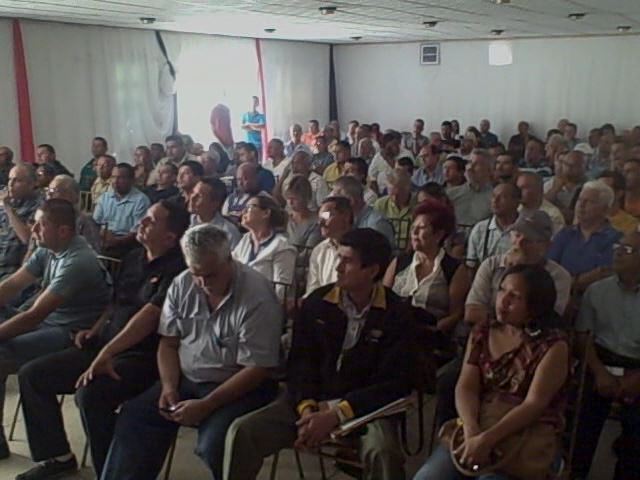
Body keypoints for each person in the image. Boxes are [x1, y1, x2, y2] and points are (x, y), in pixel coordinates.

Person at [14, 201, 189, 479]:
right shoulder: (133, 257)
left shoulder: (178, 269)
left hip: (142, 355)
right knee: (33, 375)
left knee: (92, 394)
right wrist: (95, 331)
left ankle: (110, 471)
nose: (142, 223)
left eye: (151, 220)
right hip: (104, 343)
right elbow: (114, 304)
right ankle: (58, 456)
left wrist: (107, 351)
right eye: (144, 217)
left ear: (170, 237)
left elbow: (149, 318)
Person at [225, 228, 413, 480]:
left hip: (365, 410)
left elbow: (394, 384)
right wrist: (308, 409)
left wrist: (337, 413)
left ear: (372, 270)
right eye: (338, 258)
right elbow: (300, 364)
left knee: (383, 451)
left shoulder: (396, 313)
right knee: (242, 431)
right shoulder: (317, 303)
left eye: (347, 261)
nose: (338, 267)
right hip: (311, 402)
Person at [99, 224, 281, 480]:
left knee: (216, 445)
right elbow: (168, 343)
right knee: (136, 417)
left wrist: (208, 404)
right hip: (186, 378)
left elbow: (258, 369)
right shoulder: (183, 284)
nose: (204, 283)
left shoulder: (257, 296)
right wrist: (169, 387)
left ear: (229, 259)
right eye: (197, 274)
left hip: (238, 385)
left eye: (212, 275)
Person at [414, 265, 569, 480]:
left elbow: (534, 405)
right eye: (502, 290)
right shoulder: (483, 331)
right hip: (480, 420)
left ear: (535, 305)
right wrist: (471, 430)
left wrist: (486, 440)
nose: (503, 301)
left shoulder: (552, 346)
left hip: (523, 433)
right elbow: (466, 386)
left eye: (514, 296)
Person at [0, 199, 112, 458]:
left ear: (63, 231)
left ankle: (57, 456)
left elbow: (34, 315)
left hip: (71, 334)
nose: (34, 229)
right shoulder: (48, 249)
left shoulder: (78, 261)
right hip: (46, 322)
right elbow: (12, 285)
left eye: (41, 224)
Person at [572, 231, 640, 480]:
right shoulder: (597, 290)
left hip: (636, 369)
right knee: (581, 426)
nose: (618, 252)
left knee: (635, 438)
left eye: (628, 250)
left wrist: (635, 380)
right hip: (598, 363)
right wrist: (600, 373)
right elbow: (583, 337)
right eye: (618, 246)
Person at [383, 199, 469, 334]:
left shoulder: (454, 269)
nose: (414, 232)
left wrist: (432, 330)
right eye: (413, 227)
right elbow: (383, 298)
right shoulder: (400, 262)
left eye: (422, 228)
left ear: (439, 235)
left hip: (430, 337)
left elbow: (456, 314)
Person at [548, 180, 622, 291]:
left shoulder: (615, 239)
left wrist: (566, 283)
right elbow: (549, 270)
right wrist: (577, 281)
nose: (581, 205)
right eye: (579, 200)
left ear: (605, 209)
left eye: (589, 202)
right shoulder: (565, 234)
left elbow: (601, 276)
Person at [232, 193, 296, 299]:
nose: (243, 212)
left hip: (265, 306)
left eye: (249, 207)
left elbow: (280, 291)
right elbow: (231, 266)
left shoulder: (282, 246)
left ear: (266, 213)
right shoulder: (246, 239)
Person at [93, 163, 151, 258]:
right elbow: (96, 221)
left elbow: (138, 231)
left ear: (132, 180)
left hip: (127, 243)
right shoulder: (105, 197)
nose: (115, 181)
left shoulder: (141, 200)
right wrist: (103, 234)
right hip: (104, 238)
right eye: (113, 177)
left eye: (121, 178)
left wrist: (117, 241)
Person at [0, 164, 41, 280]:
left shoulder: (40, 206)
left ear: (32, 184)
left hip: (13, 269)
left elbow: (28, 238)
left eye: (17, 180)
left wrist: (8, 209)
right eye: (9, 179)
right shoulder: (9, 200)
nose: (10, 184)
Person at [306, 196, 353, 295]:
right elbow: (312, 290)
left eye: (326, 216)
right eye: (320, 218)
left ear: (346, 217)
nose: (320, 222)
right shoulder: (319, 250)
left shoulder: (358, 250)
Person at [40, 175, 101, 253]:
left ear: (72, 196)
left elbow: (94, 253)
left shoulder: (84, 221)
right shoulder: (45, 218)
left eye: (53, 191)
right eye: (48, 190)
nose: (49, 195)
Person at [332, 175, 395, 248]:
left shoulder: (376, 224)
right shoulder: (347, 221)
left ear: (351, 201)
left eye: (336, 200)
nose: (334, 205)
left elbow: (382, 255)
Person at [466, 183, 520, 264]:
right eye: (493, 196)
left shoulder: (526, 231)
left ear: (516, 202)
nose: (495, 200)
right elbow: (471, 266)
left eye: (502, 197)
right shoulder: (480, 229)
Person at [447, 149, 493, 230]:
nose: (470, 168)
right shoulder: (451, 194)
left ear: (489, 170)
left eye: (476, 164)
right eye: (469, 163)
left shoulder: (494, 197)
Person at [189, 177, 241, 248]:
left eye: (199, 196)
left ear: (215, 204)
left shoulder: (228, 233)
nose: (192, 198)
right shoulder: (184, 222)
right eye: (193, 193)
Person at [374, 170, 417, 251]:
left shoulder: (418, 204)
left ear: (408, 189)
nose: (395, 199)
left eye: (399, 194)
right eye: (392, 194)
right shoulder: (380, 204)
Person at [544, 150, 587, 224]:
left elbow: (572, 216)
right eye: (566, 164)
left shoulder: (588, 187)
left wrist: (554, 206)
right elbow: (542, 205)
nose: (569, 168)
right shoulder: (550, 184)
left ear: (583, 167)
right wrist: (555, 189)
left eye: (574, 165)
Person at [516, 171, 565, 237]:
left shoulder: (553, 215)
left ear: (538, 189)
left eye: (524, 188)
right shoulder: (513, 208)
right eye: (518, 188)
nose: (518, 191)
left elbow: (557, 242)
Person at [285, 175, 322, 253]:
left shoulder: (315, 222)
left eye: (294, 199)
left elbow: (308, 253)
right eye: (288, 198)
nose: (290, 202)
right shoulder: (284, 218)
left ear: (306, 198)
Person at [598, 170, 640, 235]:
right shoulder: (587, 217)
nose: (598, 193)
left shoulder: (632, 224)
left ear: (619, 193)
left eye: (605, 189)